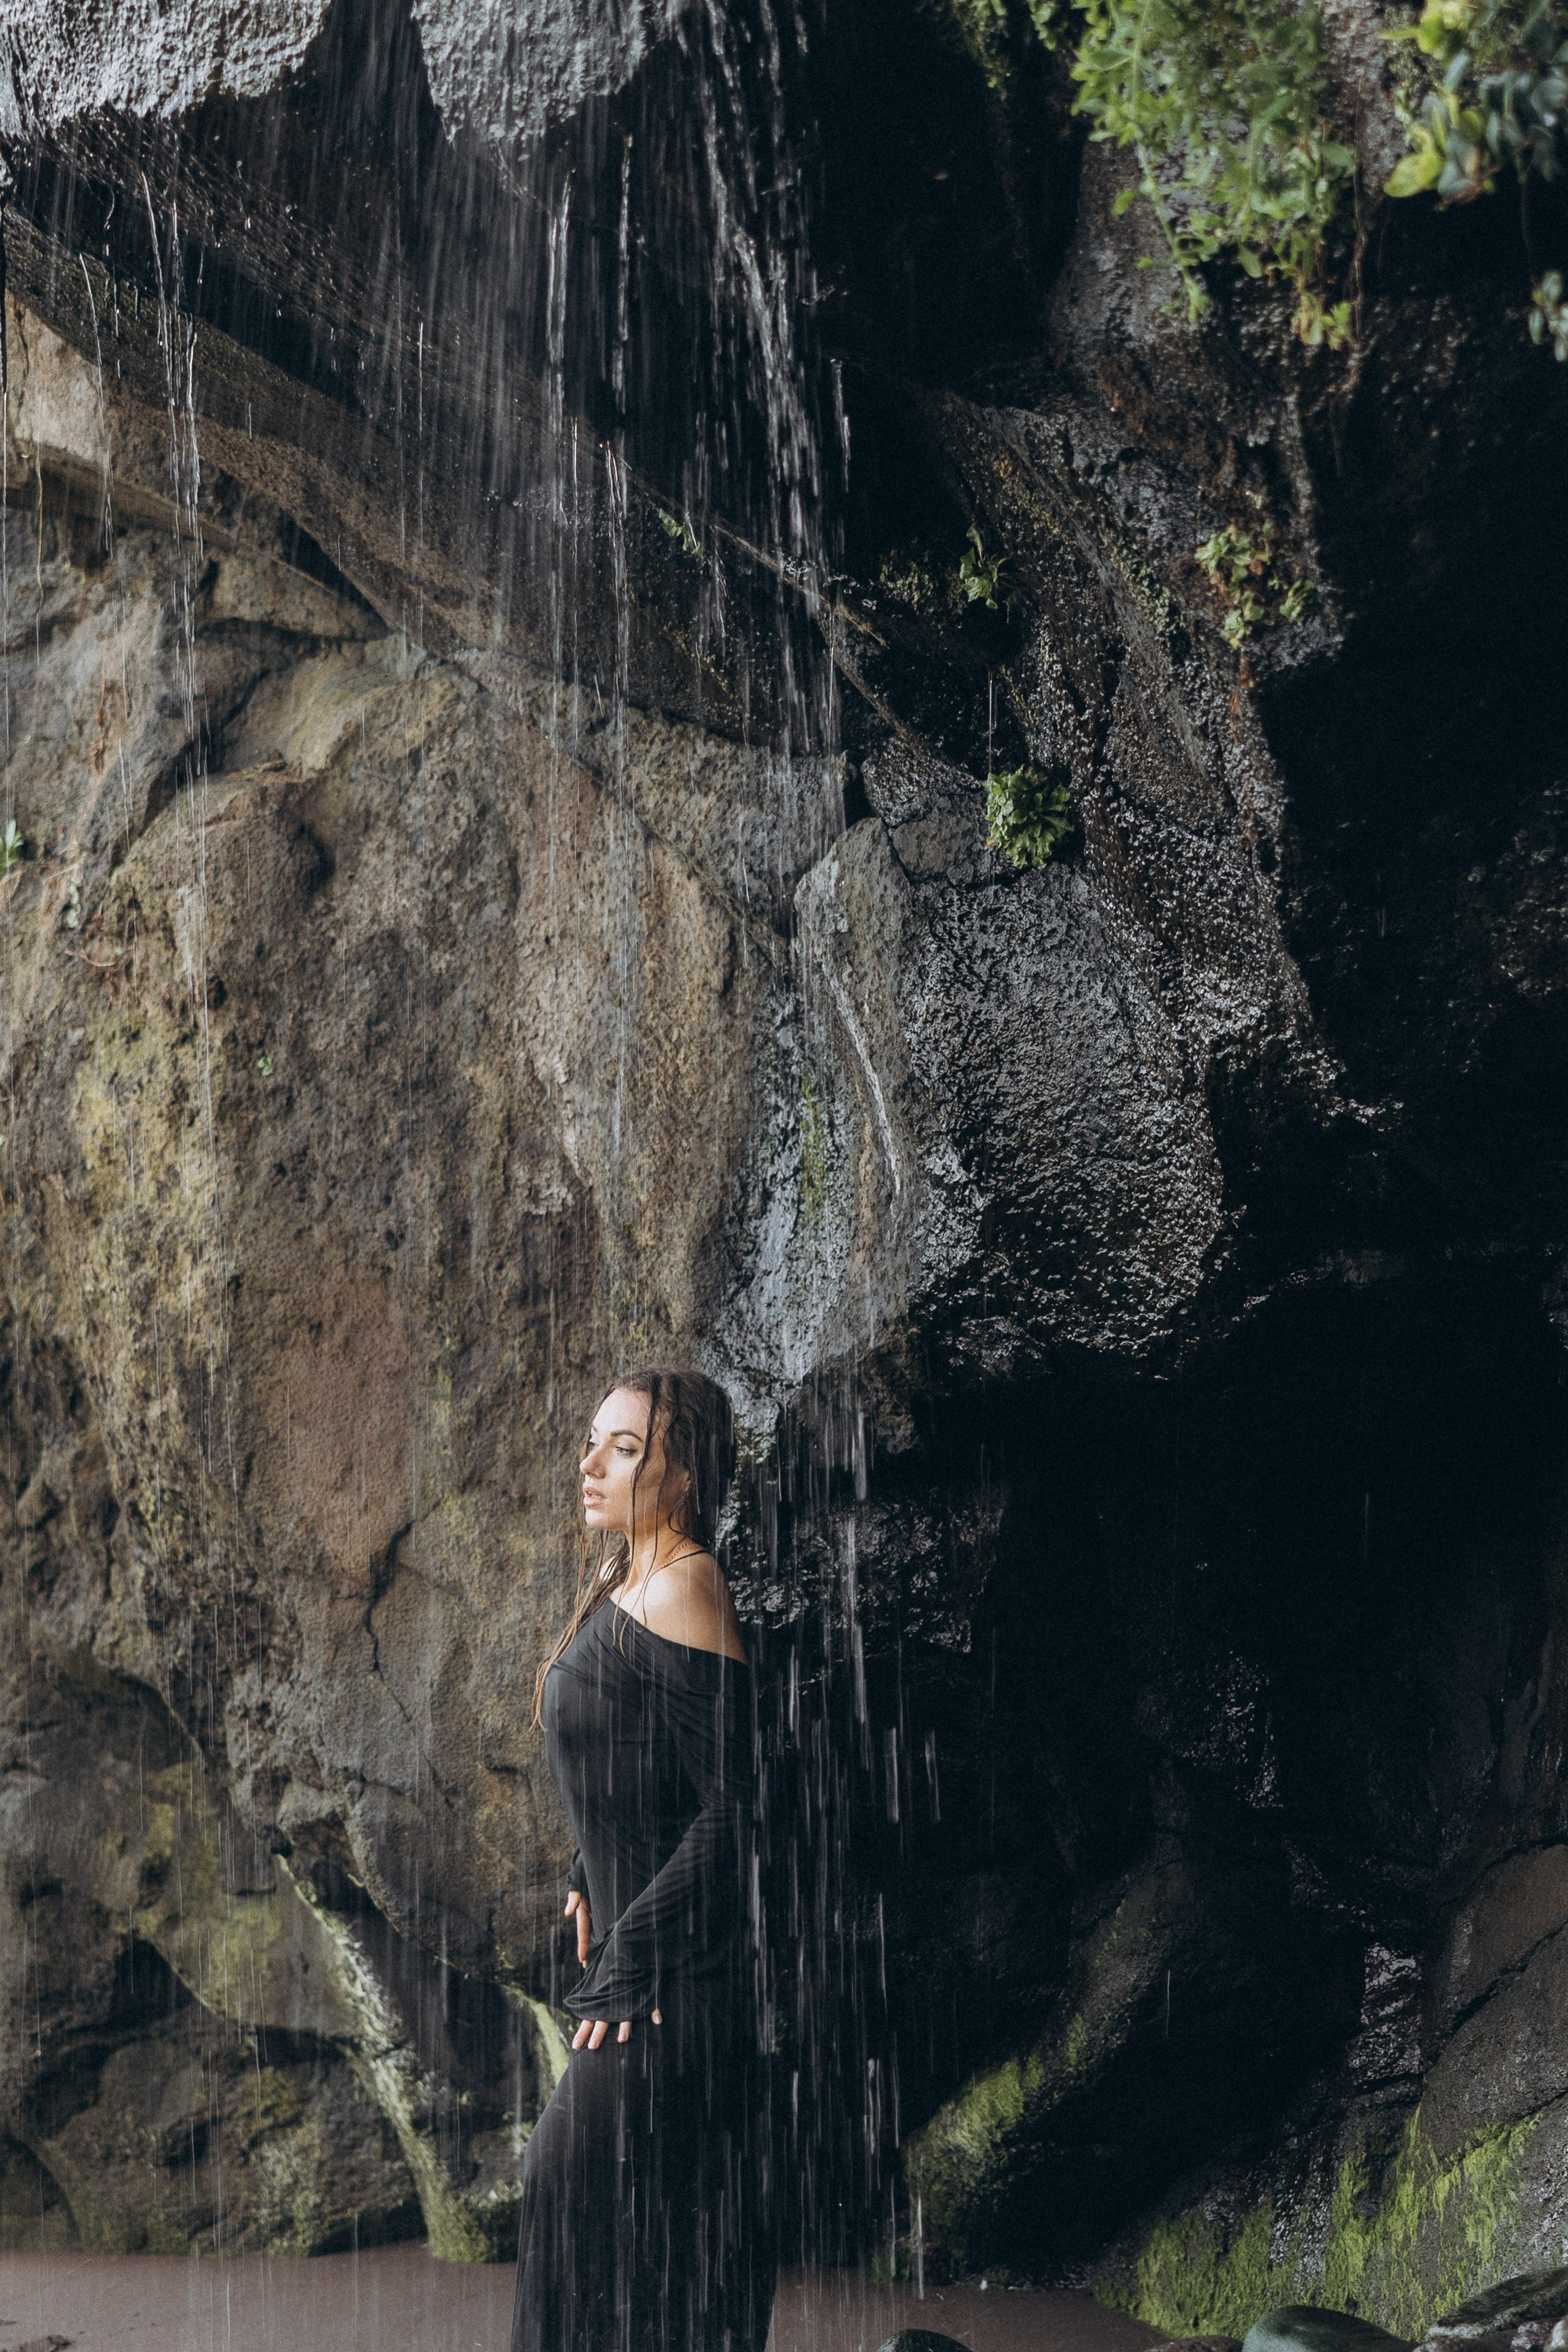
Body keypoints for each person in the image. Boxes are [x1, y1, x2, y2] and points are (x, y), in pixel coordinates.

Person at [510, 1365, 775, 2352]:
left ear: (683, 1477)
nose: (589, 1465)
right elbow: (636, 1765)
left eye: (624, 1450)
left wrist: (630, 1961)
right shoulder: (627, 1581)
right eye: (592, 1440)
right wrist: (587, 1873)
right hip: (642, 1969)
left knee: (564, 2185)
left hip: (672, 1986)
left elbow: (738, 1803)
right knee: (634, 2230)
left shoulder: (686, 1583)